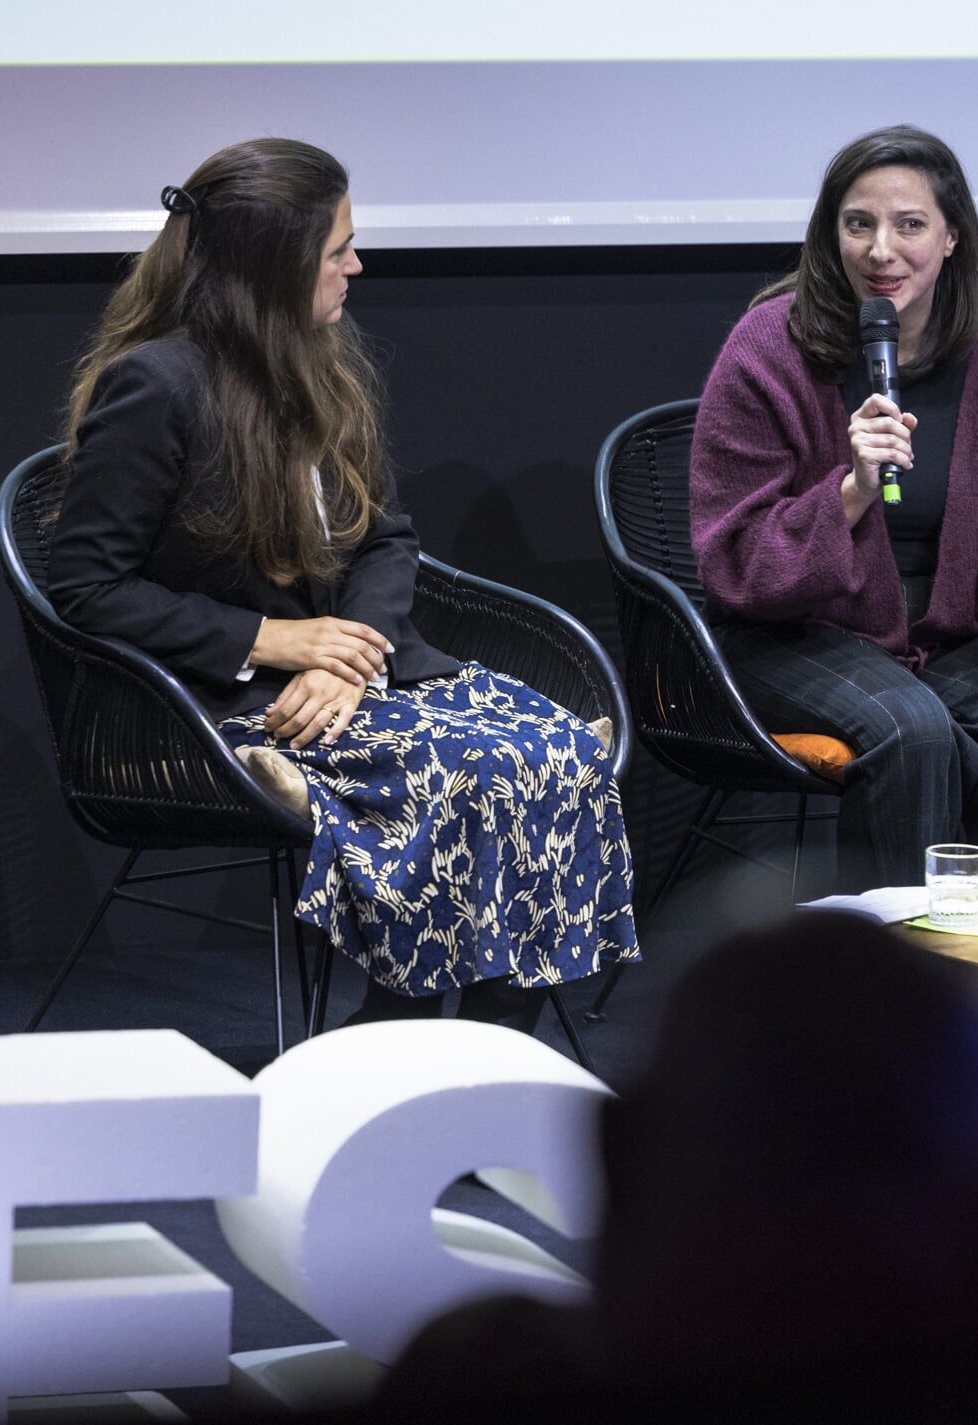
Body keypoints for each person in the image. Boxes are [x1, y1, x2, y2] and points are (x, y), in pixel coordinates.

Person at [50, 138, 637, 1029]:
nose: (356, 267)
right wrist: (275, 642)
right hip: (222, 698)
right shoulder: (157, 385)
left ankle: (489, 1052)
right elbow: (86, 585)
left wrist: (347, 659)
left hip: (341, 677)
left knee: (563, 752)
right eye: (337, 250)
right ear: (274, 269)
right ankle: (390, 1034)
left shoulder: (317, 368)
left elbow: (385, 538)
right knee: (474, 765)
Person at [691, 125, 978, 892]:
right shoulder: (766, 349)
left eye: (909, 225)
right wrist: (848, 492)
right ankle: (896, 982)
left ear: (951, 238)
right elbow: (735, 560)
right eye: (858, 224)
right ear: (829, 235)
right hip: (789, 631)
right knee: (909, 731)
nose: (882, 250)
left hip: (946, 630)